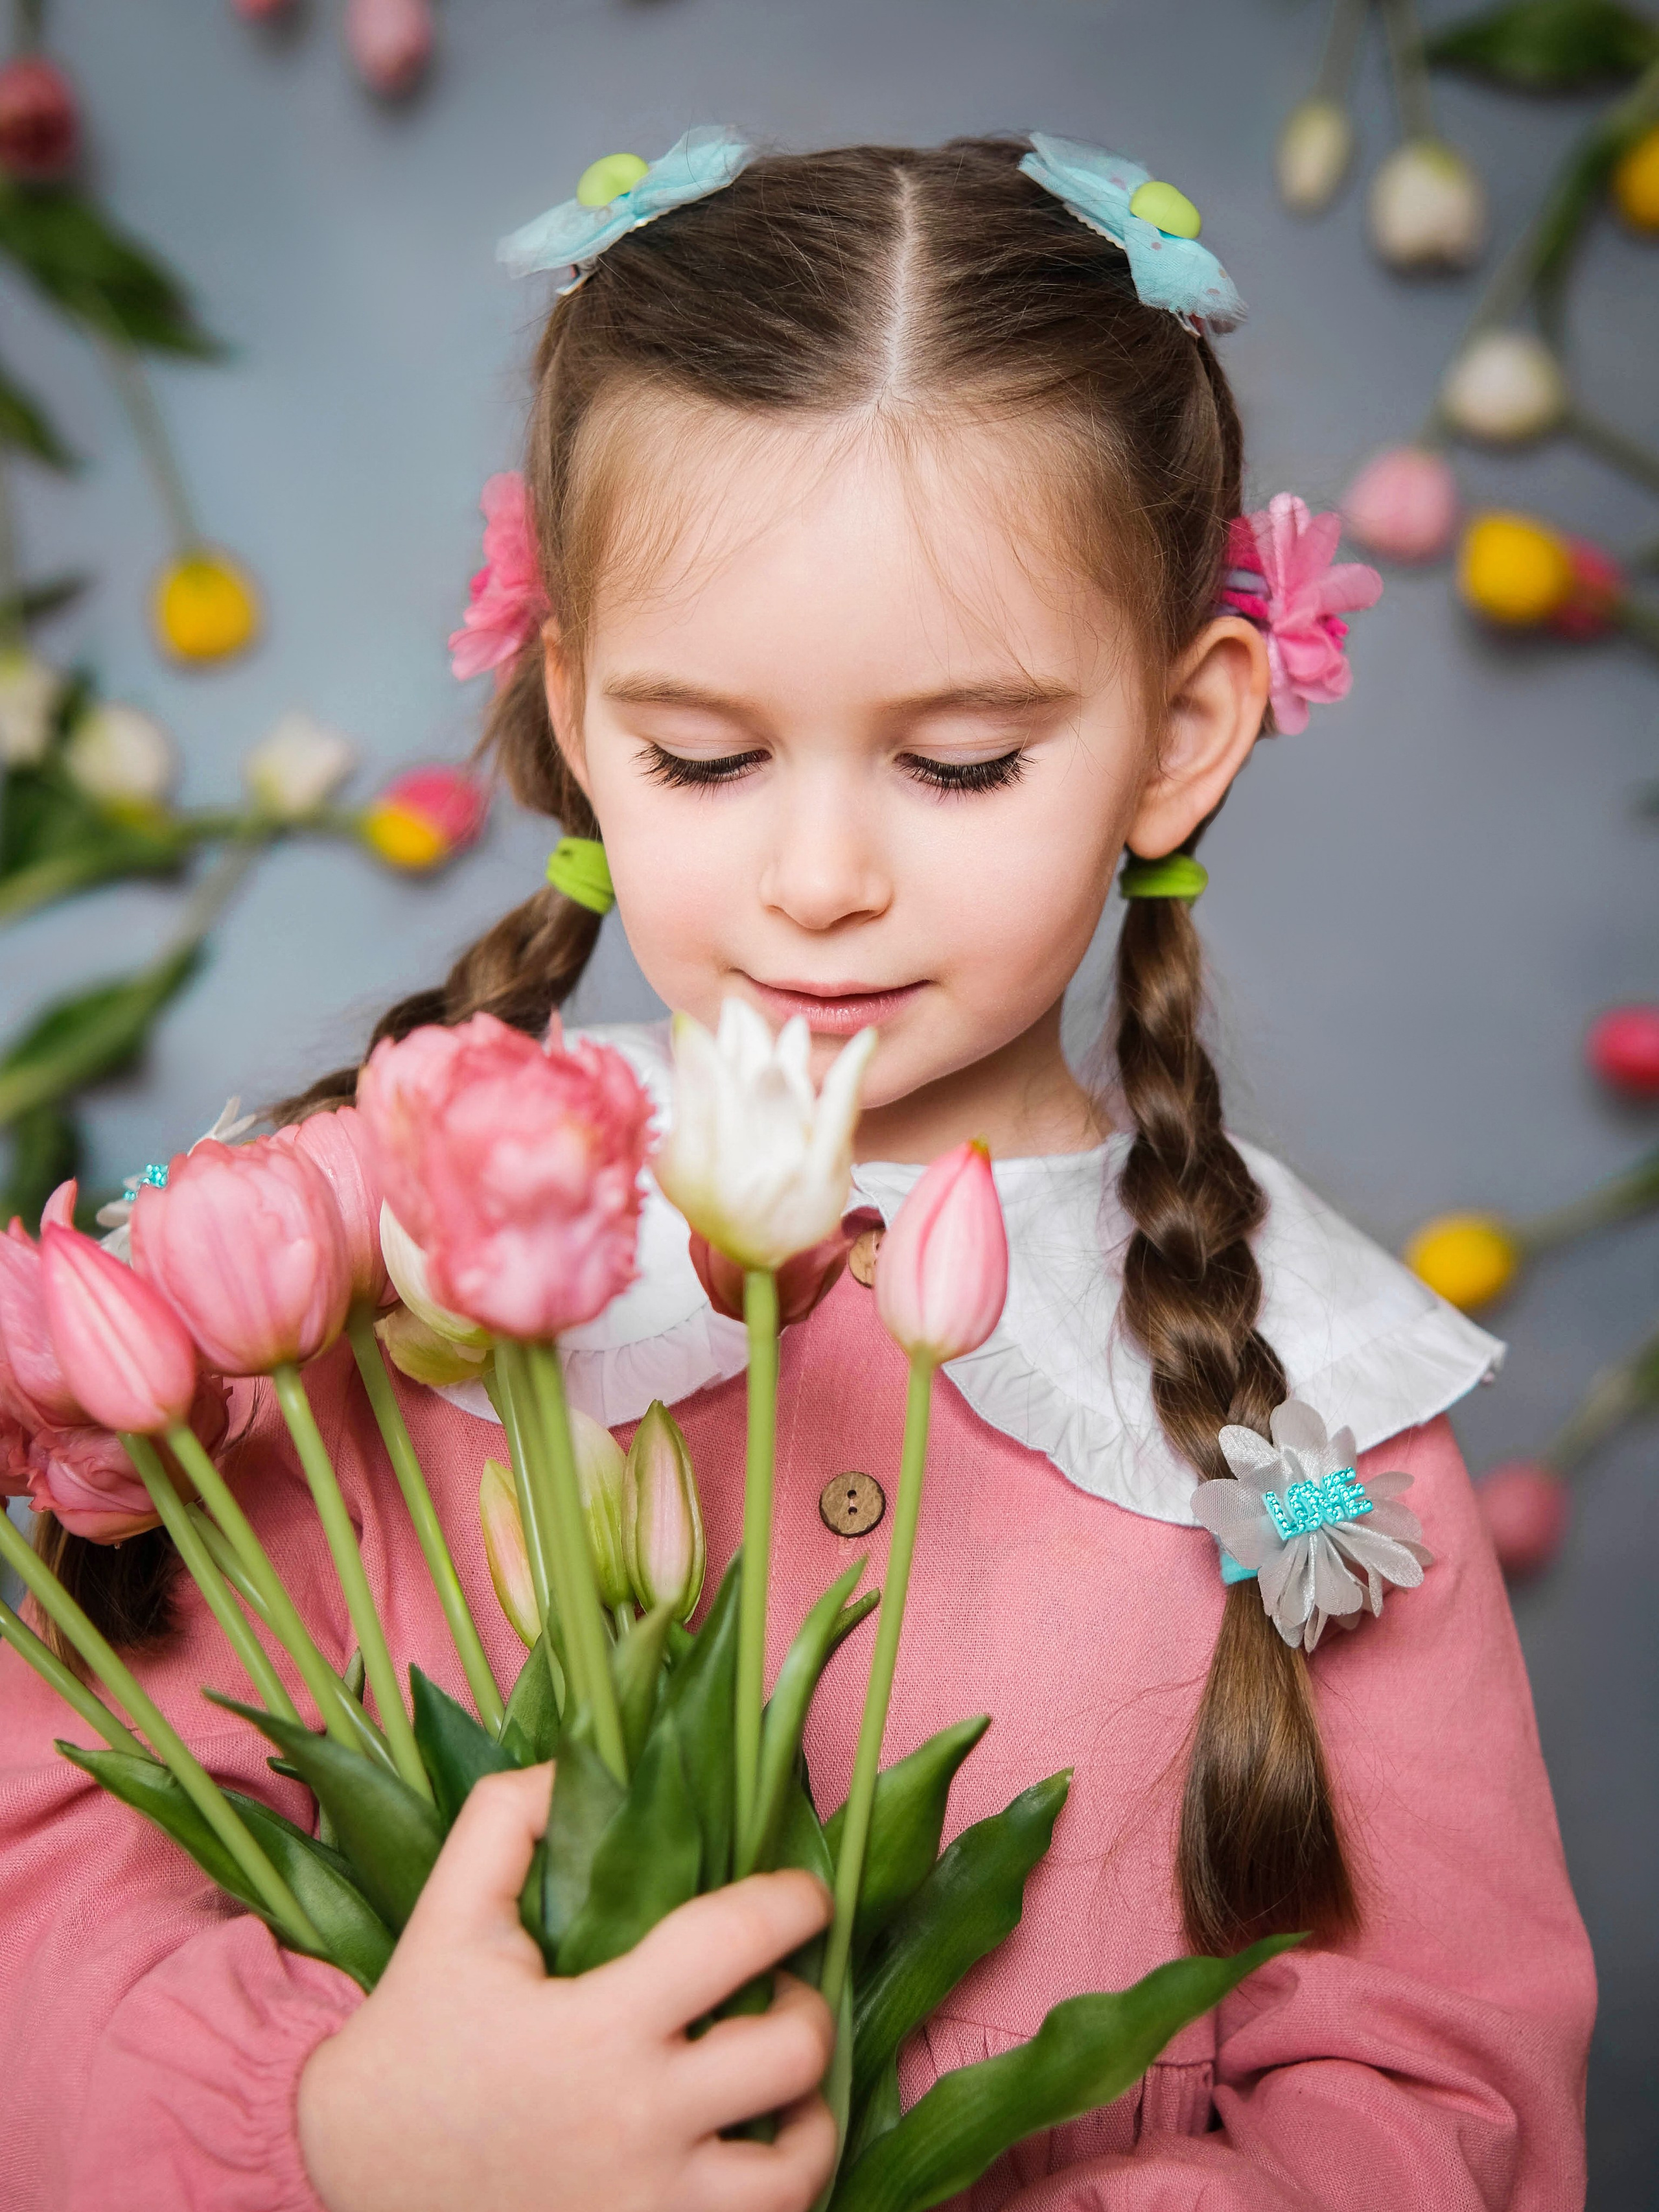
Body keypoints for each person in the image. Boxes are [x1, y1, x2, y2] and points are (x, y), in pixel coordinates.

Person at [0, 132, 1594, 2211]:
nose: (821, 878)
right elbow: (51, 1883)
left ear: (1184, 732)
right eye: (706, 756)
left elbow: (1443, 2096)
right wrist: (337, 2136)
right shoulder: (381, 1269)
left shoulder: (1327, 1408)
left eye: (959, 763)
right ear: (575, 714)